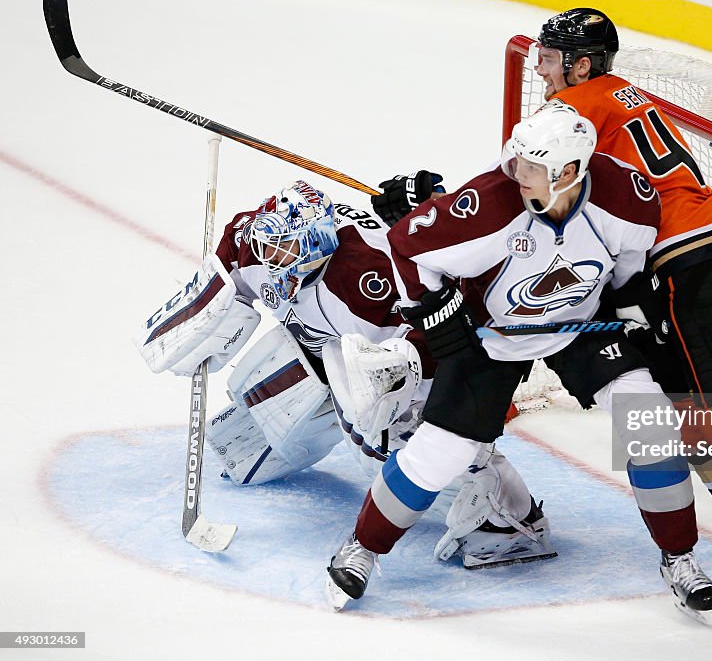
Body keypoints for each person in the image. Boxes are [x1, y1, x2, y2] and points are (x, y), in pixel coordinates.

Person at [331, 107, 712, 628]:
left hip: (580, 327)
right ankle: (362, 548)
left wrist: (632, 306)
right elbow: (405, 247)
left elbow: (628, 271)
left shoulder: (627, 200)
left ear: (567, 173)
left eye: (531, 166)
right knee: (440, 452)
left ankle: (680, 559)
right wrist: (436, 311)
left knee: (648, 420)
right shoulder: (487, 206)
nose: (515, 170)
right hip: (490, 335)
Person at [531, 8, 712, 638]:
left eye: (551, 56)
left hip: (685, 263)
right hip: (685, 261)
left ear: (580, 64)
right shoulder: (622, 96)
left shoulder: (570, 112)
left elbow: (537, 201)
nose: (539, 66)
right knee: (688, 413)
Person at [135, 180, 541, 568]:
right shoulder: (258, 243)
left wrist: (405, 365)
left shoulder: (368, 279)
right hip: (326, 351)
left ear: (316, 244)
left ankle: (506, 518)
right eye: (268, 247)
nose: (271, 259)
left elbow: (448, 331)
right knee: (245, 446)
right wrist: (209, 305)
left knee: (386, 438)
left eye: (284, 249)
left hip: (400, 369)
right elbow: (234, 250)